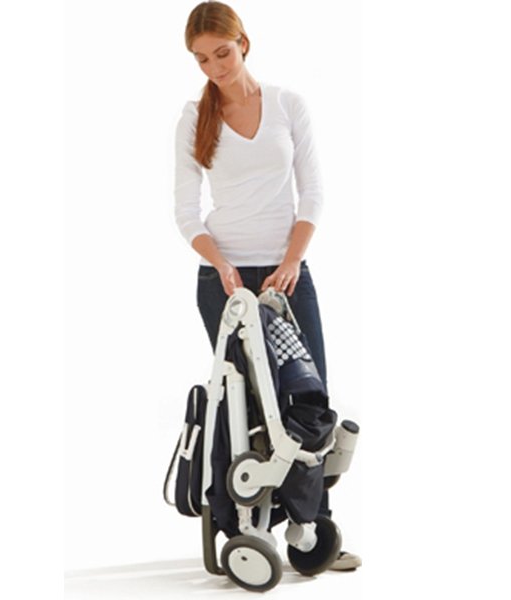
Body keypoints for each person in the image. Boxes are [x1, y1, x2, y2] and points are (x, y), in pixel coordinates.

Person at [173, 1, 361, 572]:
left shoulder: (286, 105)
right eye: (202, 59)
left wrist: (292, 260)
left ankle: (314, 530)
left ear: (244, 43)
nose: (214, 67)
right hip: (223, 283)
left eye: (222, 53)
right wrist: (223, 267)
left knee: (307, 400)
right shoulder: (194, 117)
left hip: (287, 276)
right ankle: (241, 528)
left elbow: (313, 194)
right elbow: (187, 212)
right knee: (244, 402)